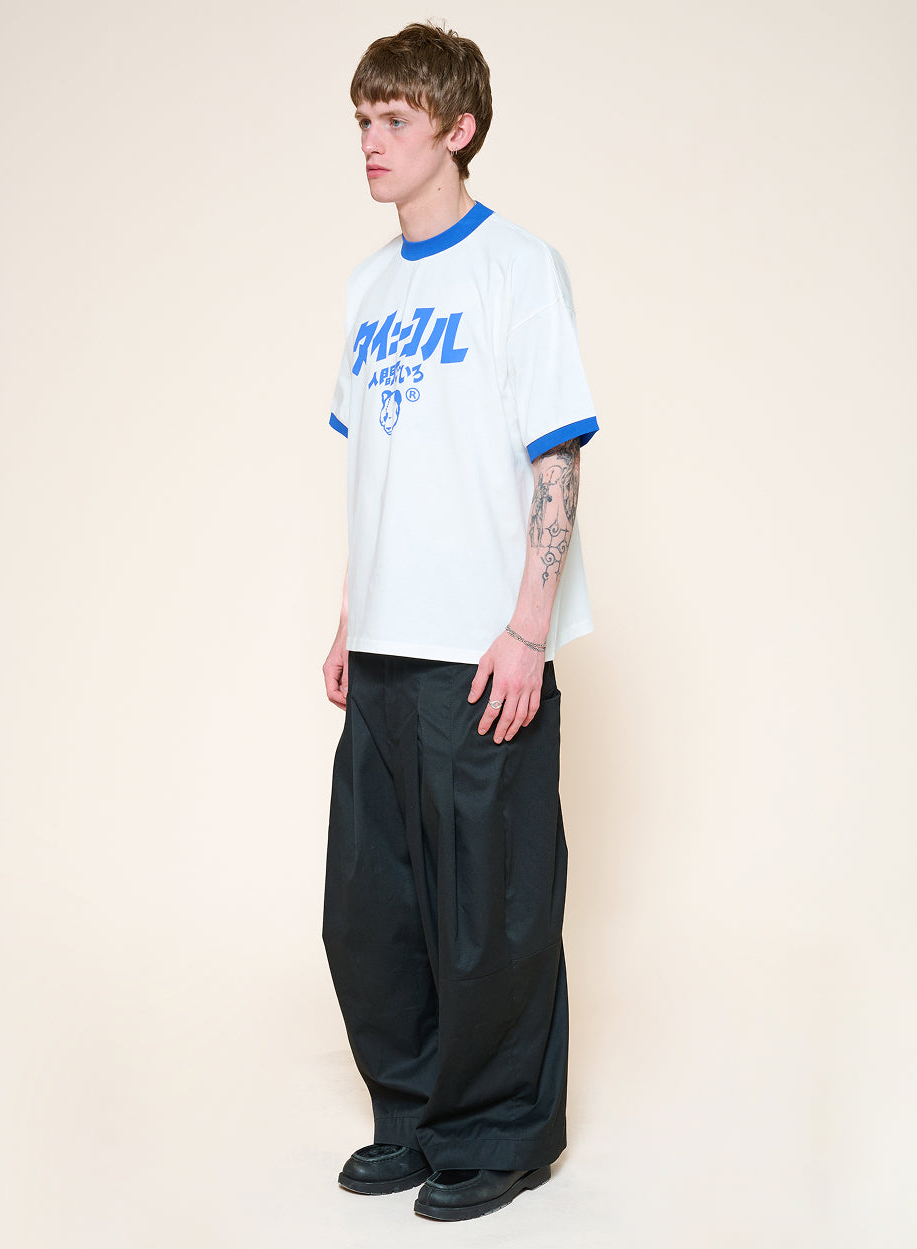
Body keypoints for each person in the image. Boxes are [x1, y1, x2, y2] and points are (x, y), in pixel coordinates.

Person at [320, 21, 599, 1223]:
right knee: (372, 910)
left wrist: (528, 631)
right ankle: (417, 1114)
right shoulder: (366, 288)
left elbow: (557, 460)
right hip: (386, 649)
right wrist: (349, 617)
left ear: (458, 128)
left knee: (493, 910)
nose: (371, 143)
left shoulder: (518, 269)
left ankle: (498, 1135)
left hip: (482, 649)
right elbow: (378, 472)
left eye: (394, 120)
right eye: (362, 121)